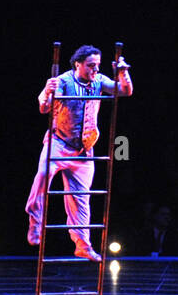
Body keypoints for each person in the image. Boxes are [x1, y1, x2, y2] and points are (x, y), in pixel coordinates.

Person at [25, 46, 133, 260]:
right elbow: (44, 108)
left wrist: (122, 72)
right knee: (43, 175)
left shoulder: (99, 81)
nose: (95, 69)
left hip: (84, 149)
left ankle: (82, 244)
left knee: (81, 199)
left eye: (97, 65)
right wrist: (47, 91)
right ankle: (35, 223)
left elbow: (124, 91)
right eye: (91, 65)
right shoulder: (64, 81)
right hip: (59, 142)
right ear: (78, 64)